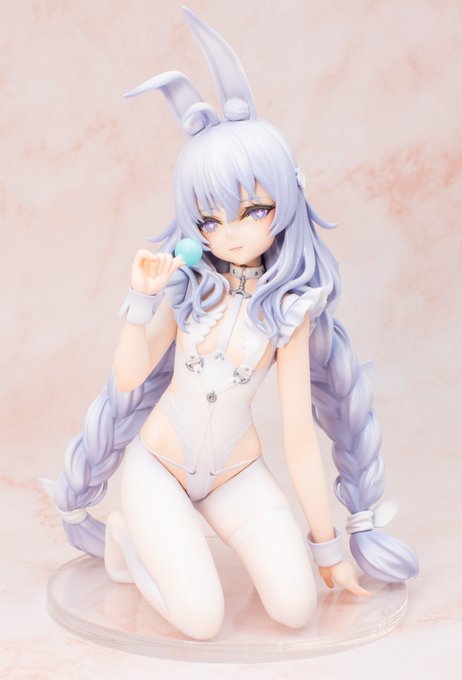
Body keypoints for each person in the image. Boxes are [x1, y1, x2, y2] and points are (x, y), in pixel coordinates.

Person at [45, 8, 418, 641]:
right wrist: (140, 300)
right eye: (210, 221)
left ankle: (186, 540)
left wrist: (327, 547)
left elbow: (298, 436)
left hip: (235, 473)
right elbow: (130, 378)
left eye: (252, 210)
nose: (232, 234)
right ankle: (127, 539)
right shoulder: (189, 286)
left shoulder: (290, 309)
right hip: (160, 466)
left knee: (296, 610)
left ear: (284, 202)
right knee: (201, 620)